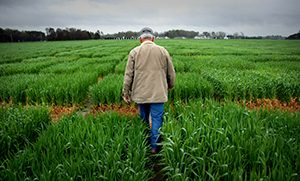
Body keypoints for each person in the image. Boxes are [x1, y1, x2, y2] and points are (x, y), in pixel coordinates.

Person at [122, 27, 176, 154]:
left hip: (141, 93)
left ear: (141, 39)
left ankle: (143, 142)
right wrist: (170, 85)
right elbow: (171, 73)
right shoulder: (163, 51)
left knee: (143, 118)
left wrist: (126, 92)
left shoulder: (134, 52)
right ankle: (154, 147)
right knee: (157, 119)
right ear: (153, 38)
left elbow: (128, 75)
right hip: (158, 93)